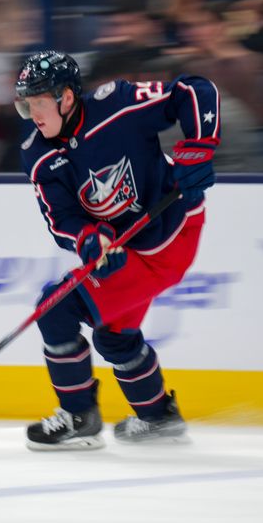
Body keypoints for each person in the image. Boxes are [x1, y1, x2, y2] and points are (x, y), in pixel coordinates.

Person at [15, 50, 220, 450]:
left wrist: (201, 144)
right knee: (114, 335)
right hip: (128, 248)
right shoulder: (36, 154)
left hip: (170, 235)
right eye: (26, 104)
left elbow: (195, 91)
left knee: (55, 308)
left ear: (67, 98)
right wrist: (89, 240)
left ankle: (78, 417)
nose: (32, 113)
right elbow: (61, 220)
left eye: (39, 102)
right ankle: (158, 416)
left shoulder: (118, 104)